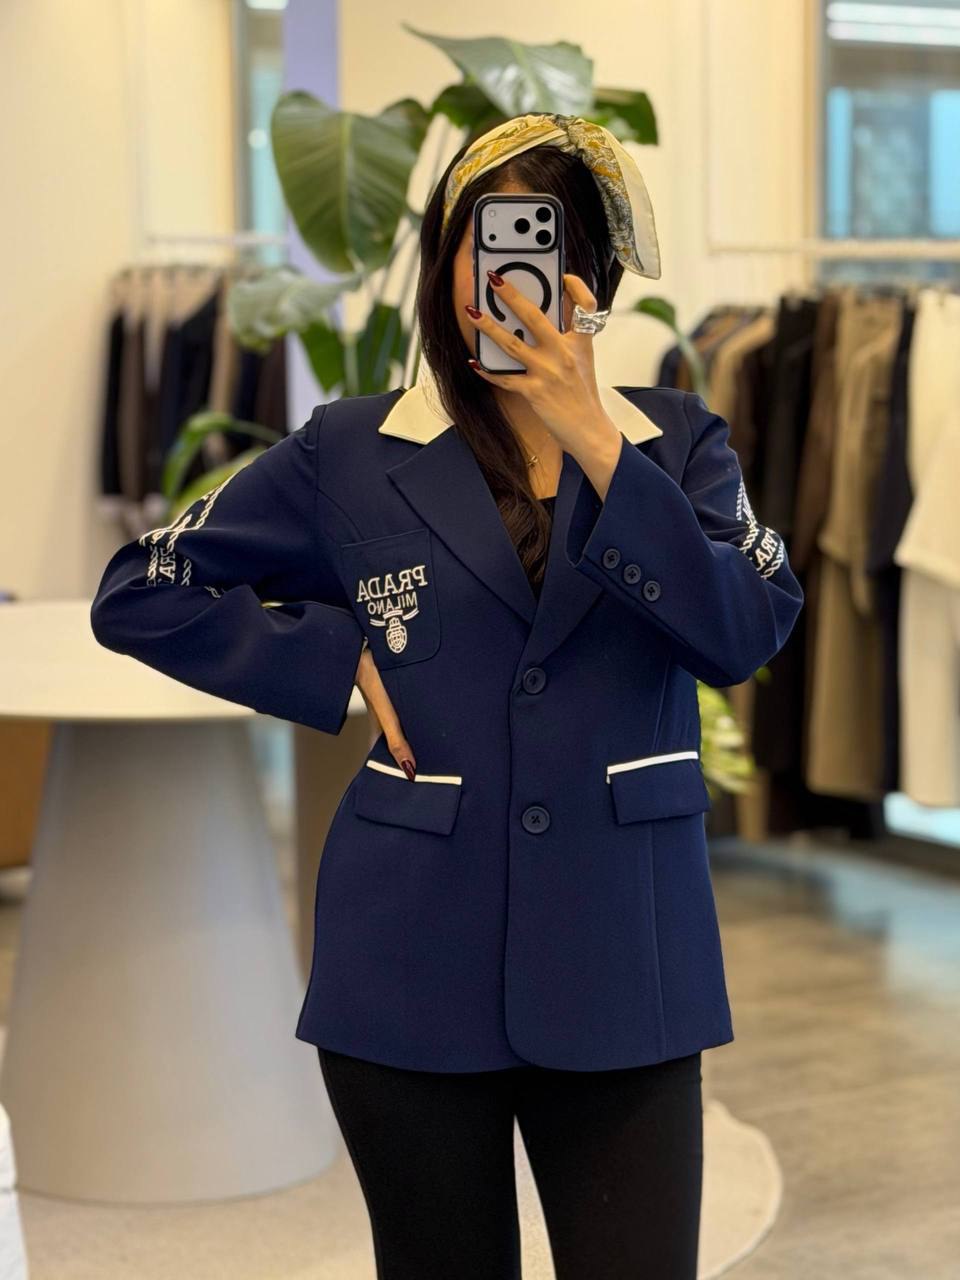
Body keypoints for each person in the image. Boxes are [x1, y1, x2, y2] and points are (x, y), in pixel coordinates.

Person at [90, 113, 804, 1279]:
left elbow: (744, 630)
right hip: (409, 963)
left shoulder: (677, 446)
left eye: (541, 244)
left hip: (628, 958)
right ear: (443, 264)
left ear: (591, 275)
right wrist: (330, 653)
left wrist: (598, 443)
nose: (507, 276)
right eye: (486, 244)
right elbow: (141, 586)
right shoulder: (349, 451)